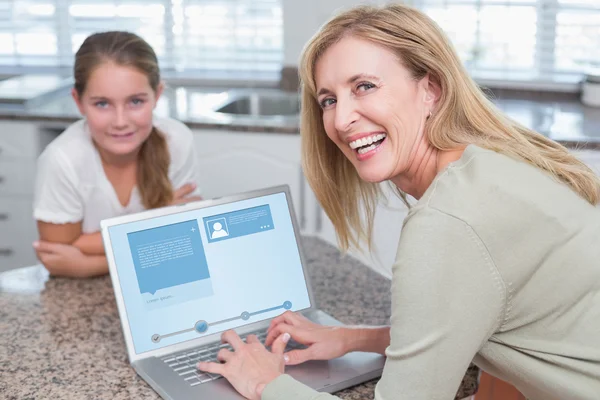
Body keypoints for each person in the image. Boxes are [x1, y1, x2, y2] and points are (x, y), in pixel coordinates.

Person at [195, 4, 600, 400]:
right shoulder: (489, 167)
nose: (340, 120)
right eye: (329, 100)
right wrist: (351, 338)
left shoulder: (448, 221)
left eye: (364, 86)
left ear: (430, 90)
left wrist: (267, 383)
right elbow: (477, 317)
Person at [33, 31, 202, 278]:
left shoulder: (176, 141)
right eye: (102, 103)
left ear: (157, 95)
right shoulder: (62, 159)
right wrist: (156, 225)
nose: (120, 121)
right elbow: (58, 250)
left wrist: (87, 263)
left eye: (135, 102)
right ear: (78, 101)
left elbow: (184, 239)